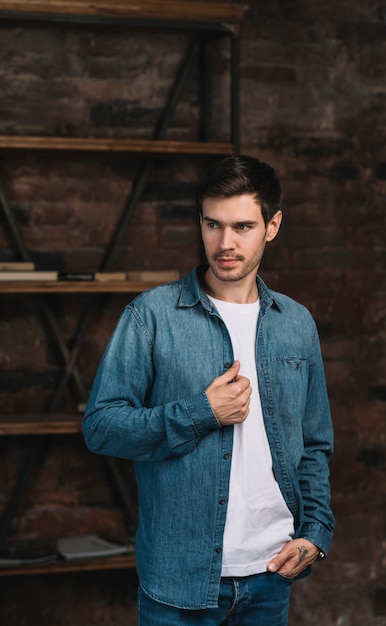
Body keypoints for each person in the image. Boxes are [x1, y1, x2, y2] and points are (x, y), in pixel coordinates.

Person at [82, 155, 334, 626]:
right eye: (213, 225)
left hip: (271, 573)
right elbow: (100, 426)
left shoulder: (297, 324)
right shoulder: (151, 317)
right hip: (178, 582)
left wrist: (317, 533)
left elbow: (315, 445)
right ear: (200, 222)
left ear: (272, 226)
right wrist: (200, 413)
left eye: (243, 226)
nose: (225, 243)